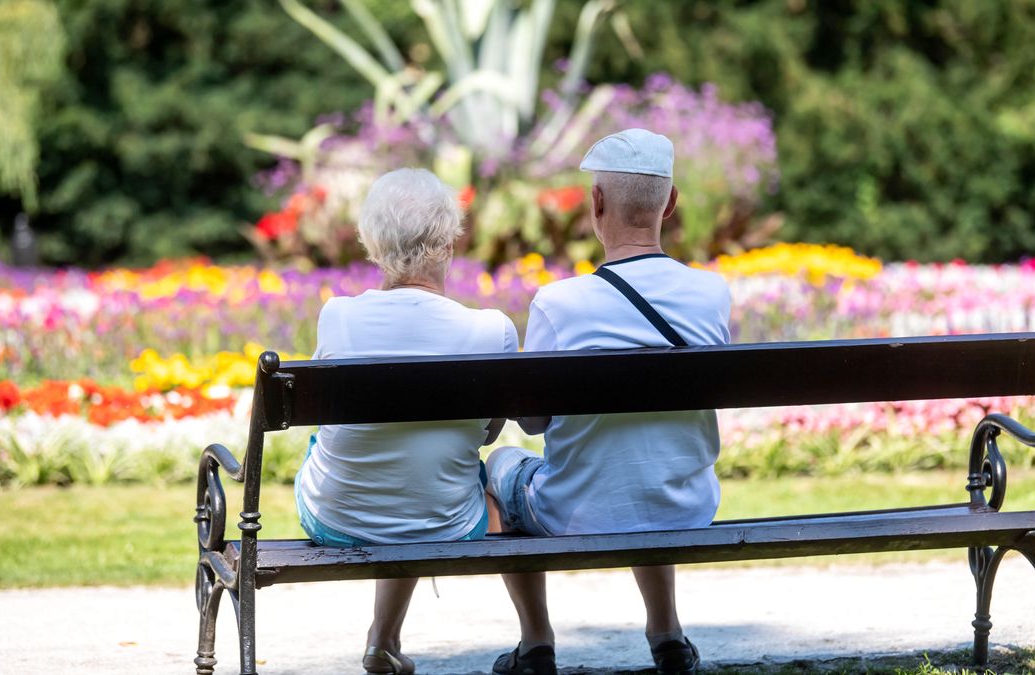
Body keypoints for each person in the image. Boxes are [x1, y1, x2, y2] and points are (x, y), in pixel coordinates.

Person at [485, 128, 731, 675]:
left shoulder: (559, 304)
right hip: (684, 505)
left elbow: (532, 423)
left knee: (500, 466)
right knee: (648, 465)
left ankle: (536, 642)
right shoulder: (712, 294)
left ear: (595, 203)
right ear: (670, 203)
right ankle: (667, 634)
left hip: (575, 512)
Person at [294, 168, 519, 674]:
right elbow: (489, 434)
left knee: (381, 458)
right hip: (448, 520)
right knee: (428, 475)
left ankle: (383, 639)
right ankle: (532, 637)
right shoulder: (491, 331)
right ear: (449, 242)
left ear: (372, 243)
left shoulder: (337, 317)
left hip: (336, 518)